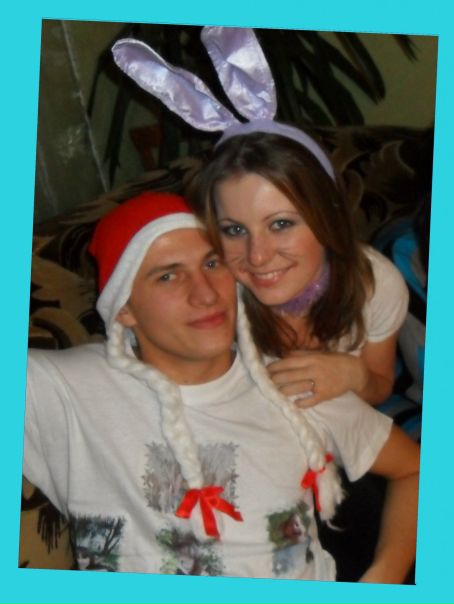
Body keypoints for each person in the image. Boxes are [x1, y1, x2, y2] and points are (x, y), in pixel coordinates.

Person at [23, 190, 419, 582]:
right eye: (168, 276)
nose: (206, 294)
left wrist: (383, 577)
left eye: (212, 263)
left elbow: (416, 470)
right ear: (124, 307)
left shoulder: (290, 384)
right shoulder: (61, 389)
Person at [111, 26, 409, 409]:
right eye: (234, 229)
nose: (257, 256)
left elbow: (380, 386)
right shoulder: (211, 297)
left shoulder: (376, 283)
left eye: (281, 224)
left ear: (328, 215)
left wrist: (356, 376)